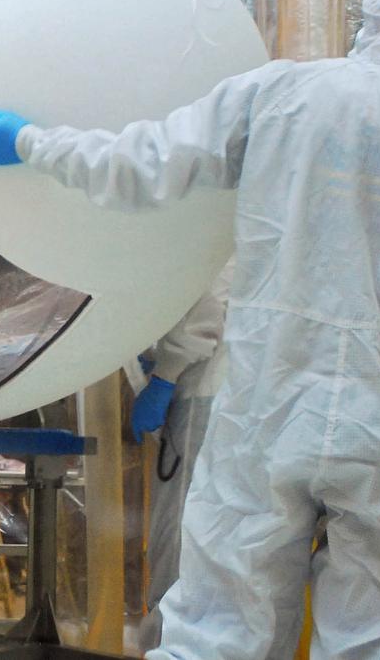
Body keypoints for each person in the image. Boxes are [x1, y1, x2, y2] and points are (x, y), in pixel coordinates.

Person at [0, 0, 380, 658]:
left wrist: (31, 141)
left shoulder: (282, 93)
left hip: (266, 403)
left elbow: (144, 163)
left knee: (218, 629)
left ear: (371, 10)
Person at [132, 259, 232, 653]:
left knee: (180, 551)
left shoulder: (195, 215)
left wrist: (165, 373)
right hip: (230, 394)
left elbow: (206, 297)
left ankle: (170, 645)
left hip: (203, 391)